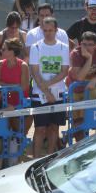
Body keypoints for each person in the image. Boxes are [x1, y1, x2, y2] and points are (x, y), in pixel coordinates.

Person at [28, 18, 69, 158]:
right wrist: (46, 91)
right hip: (39, 94)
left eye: (50, 30)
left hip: (58, 93)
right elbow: (34, 71)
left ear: (56, 30)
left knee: (54, 128)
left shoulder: (63, 47)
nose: (48, 33)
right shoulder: (36, 47)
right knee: (40, 129)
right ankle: (35, 159)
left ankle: (50, 158)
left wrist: (48, 85)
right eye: (45, 30)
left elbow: (64, 71)